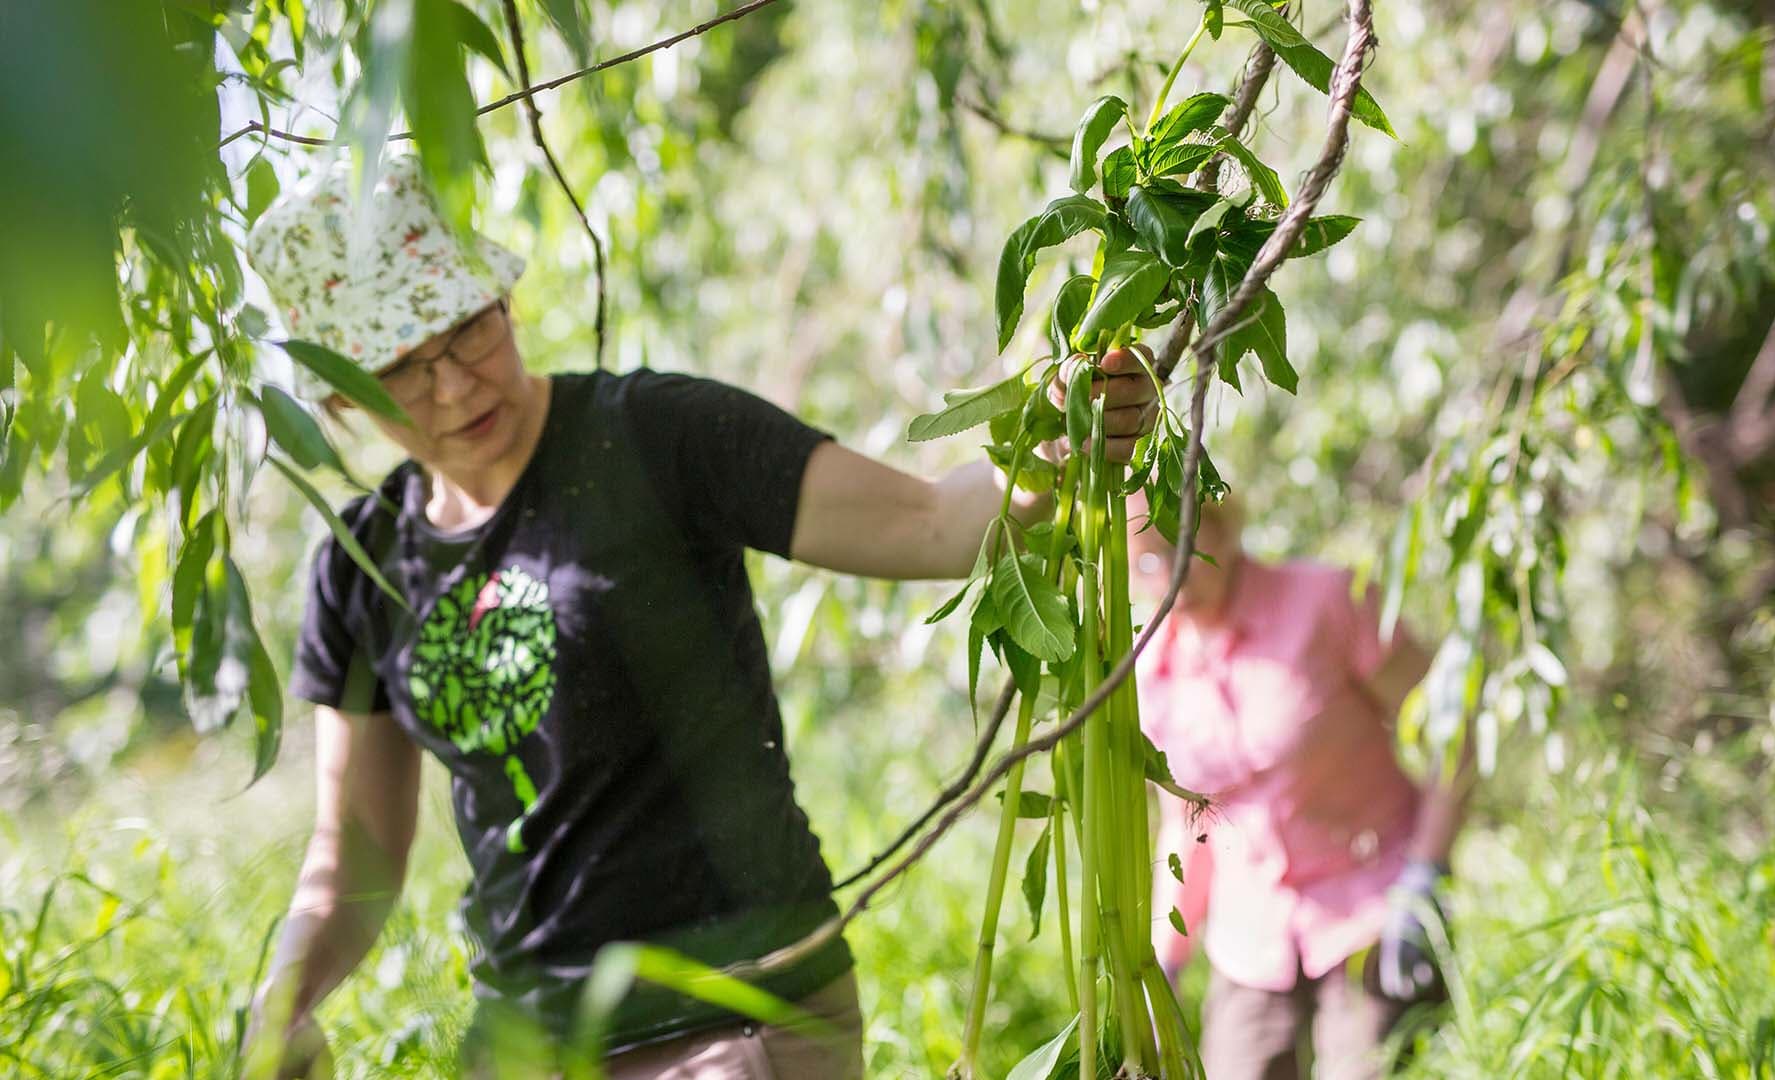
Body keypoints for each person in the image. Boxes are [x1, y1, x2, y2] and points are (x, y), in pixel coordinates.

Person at [238, 154, 1158, 1079]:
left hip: (746, 1012)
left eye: (468, 331)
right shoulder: (361, 571)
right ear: (338, 400)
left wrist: (1054, 446)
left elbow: (928, 523)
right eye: (403, 367)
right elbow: (354, 850)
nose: (455, 384)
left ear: (502, 298)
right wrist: (287, 993)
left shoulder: (656, 435)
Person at [1129, 497, 1473, 1080]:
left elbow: (1452, 729)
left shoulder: (1327, 602)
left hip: (1372, 908)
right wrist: (1165, 959)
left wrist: (1425, 876)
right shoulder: (1150, 671)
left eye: (1184, 543)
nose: (1170, 571)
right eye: (1146, 561)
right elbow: (1185, 826)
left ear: (1223, 529)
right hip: (1250, 938)